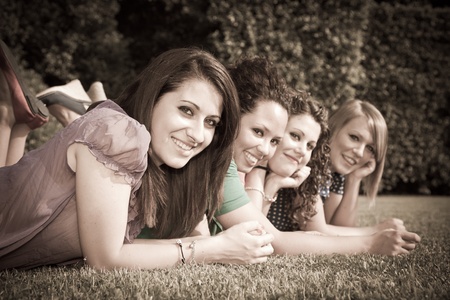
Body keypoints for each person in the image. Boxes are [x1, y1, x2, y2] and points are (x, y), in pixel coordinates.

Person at [0, 46, 274, 270]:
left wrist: (213, 245)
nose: (198, 134)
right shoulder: (118, 133)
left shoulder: (157, 167)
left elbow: (127, 249)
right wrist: (216, 248)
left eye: (211, 122)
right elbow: (106, 260)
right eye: (186, 110)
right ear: (153, 97)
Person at [212, 84, 421, 255]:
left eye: (310, 146)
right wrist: (373, 237)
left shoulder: (303, 173)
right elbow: (262, 236)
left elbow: (323, 230)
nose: (302, 150)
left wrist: (355, 180)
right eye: (294, 136)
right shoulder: (250, 165)